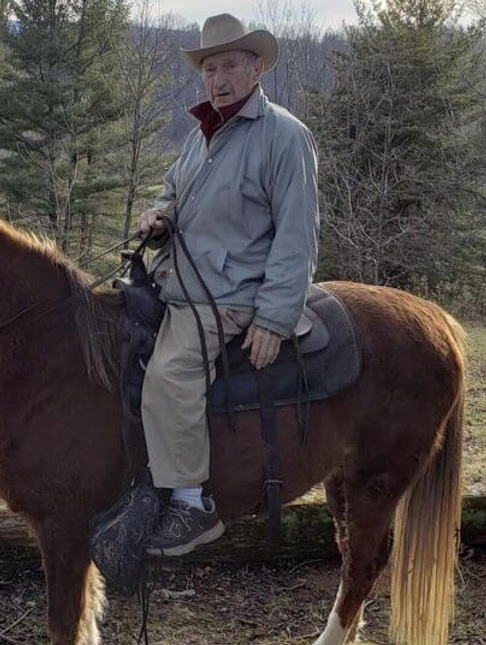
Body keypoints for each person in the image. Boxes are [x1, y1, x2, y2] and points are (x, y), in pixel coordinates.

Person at [137, 13, 320, 557]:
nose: (217, 78)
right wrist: (160, 214)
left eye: (229, 66)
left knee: (171, 371)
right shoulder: (203, 134)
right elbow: (173, 189)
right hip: (181, 281)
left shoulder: (284, 137)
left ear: (256, 69)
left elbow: (297, 233)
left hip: (228, 296)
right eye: (209, 67)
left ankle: (193, 505)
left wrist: (273, 317)